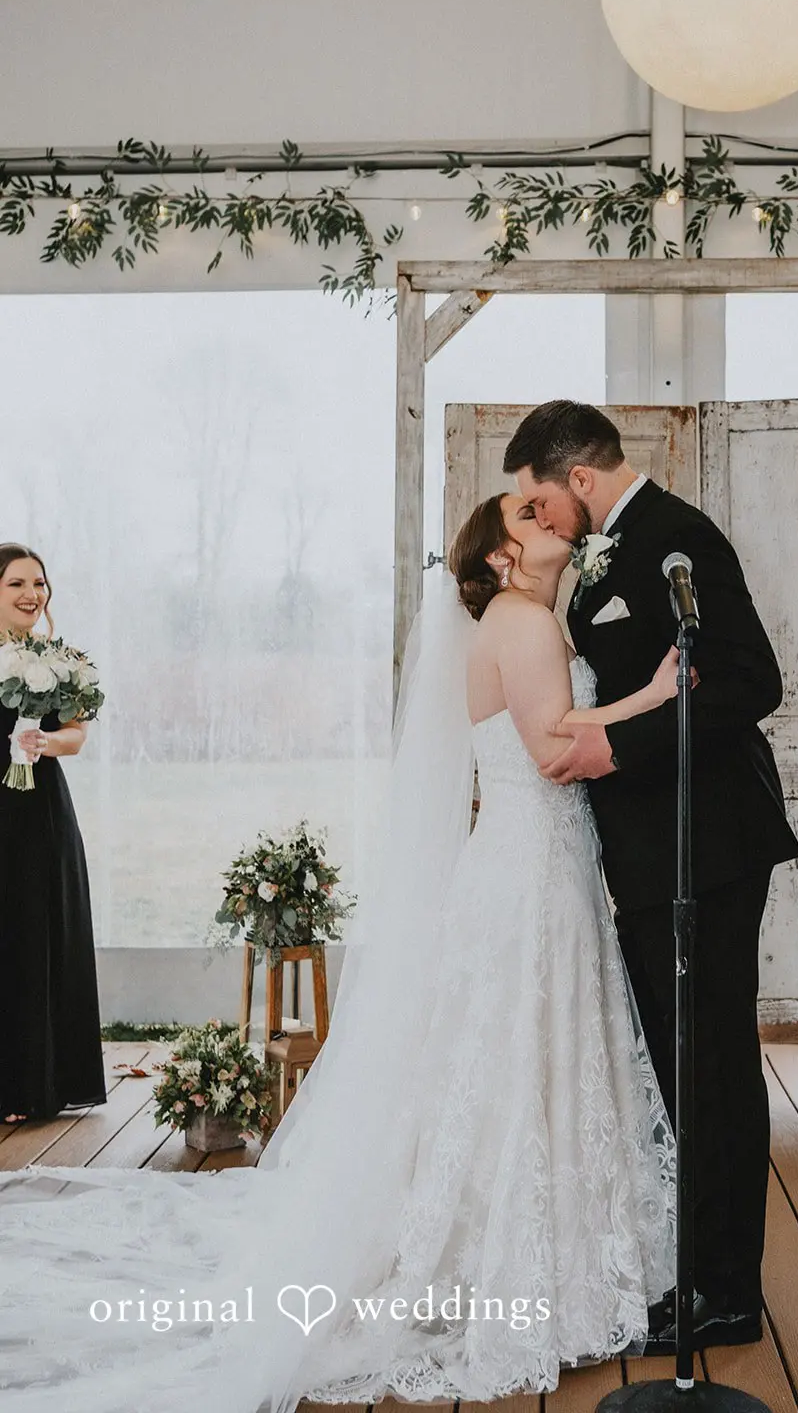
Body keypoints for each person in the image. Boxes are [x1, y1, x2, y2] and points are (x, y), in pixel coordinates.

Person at [0, 494, 680, 1413]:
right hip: (528, 871)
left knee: (525, 1051)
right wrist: (655, 695)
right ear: (507, 558)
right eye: (531, 515)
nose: (554, 518)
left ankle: (540, 1236)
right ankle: (508, 1249)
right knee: (516, 1047)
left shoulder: (529, 619)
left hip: (542, 867)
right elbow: (555, 753)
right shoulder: (519, 626)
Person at [503, 400, 798, 1349]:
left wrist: (615, 753)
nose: (542, 521)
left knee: (709, 1062)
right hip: (647, 856)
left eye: (542, 503)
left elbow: (752, 680)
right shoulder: (601, 556)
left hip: (704, 848)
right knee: (679, 1066)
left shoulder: (677, 539)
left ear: (579, 479)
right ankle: (696, 1273)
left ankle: (725, 1295)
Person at [0, 542, 106, 1125]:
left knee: (40, 934)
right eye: (17, 583)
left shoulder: (58, 658)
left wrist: (44, 743)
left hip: (40, 812)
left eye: (38, 584)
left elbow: (77, 735)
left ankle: (39, 1082)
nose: (30, 595)